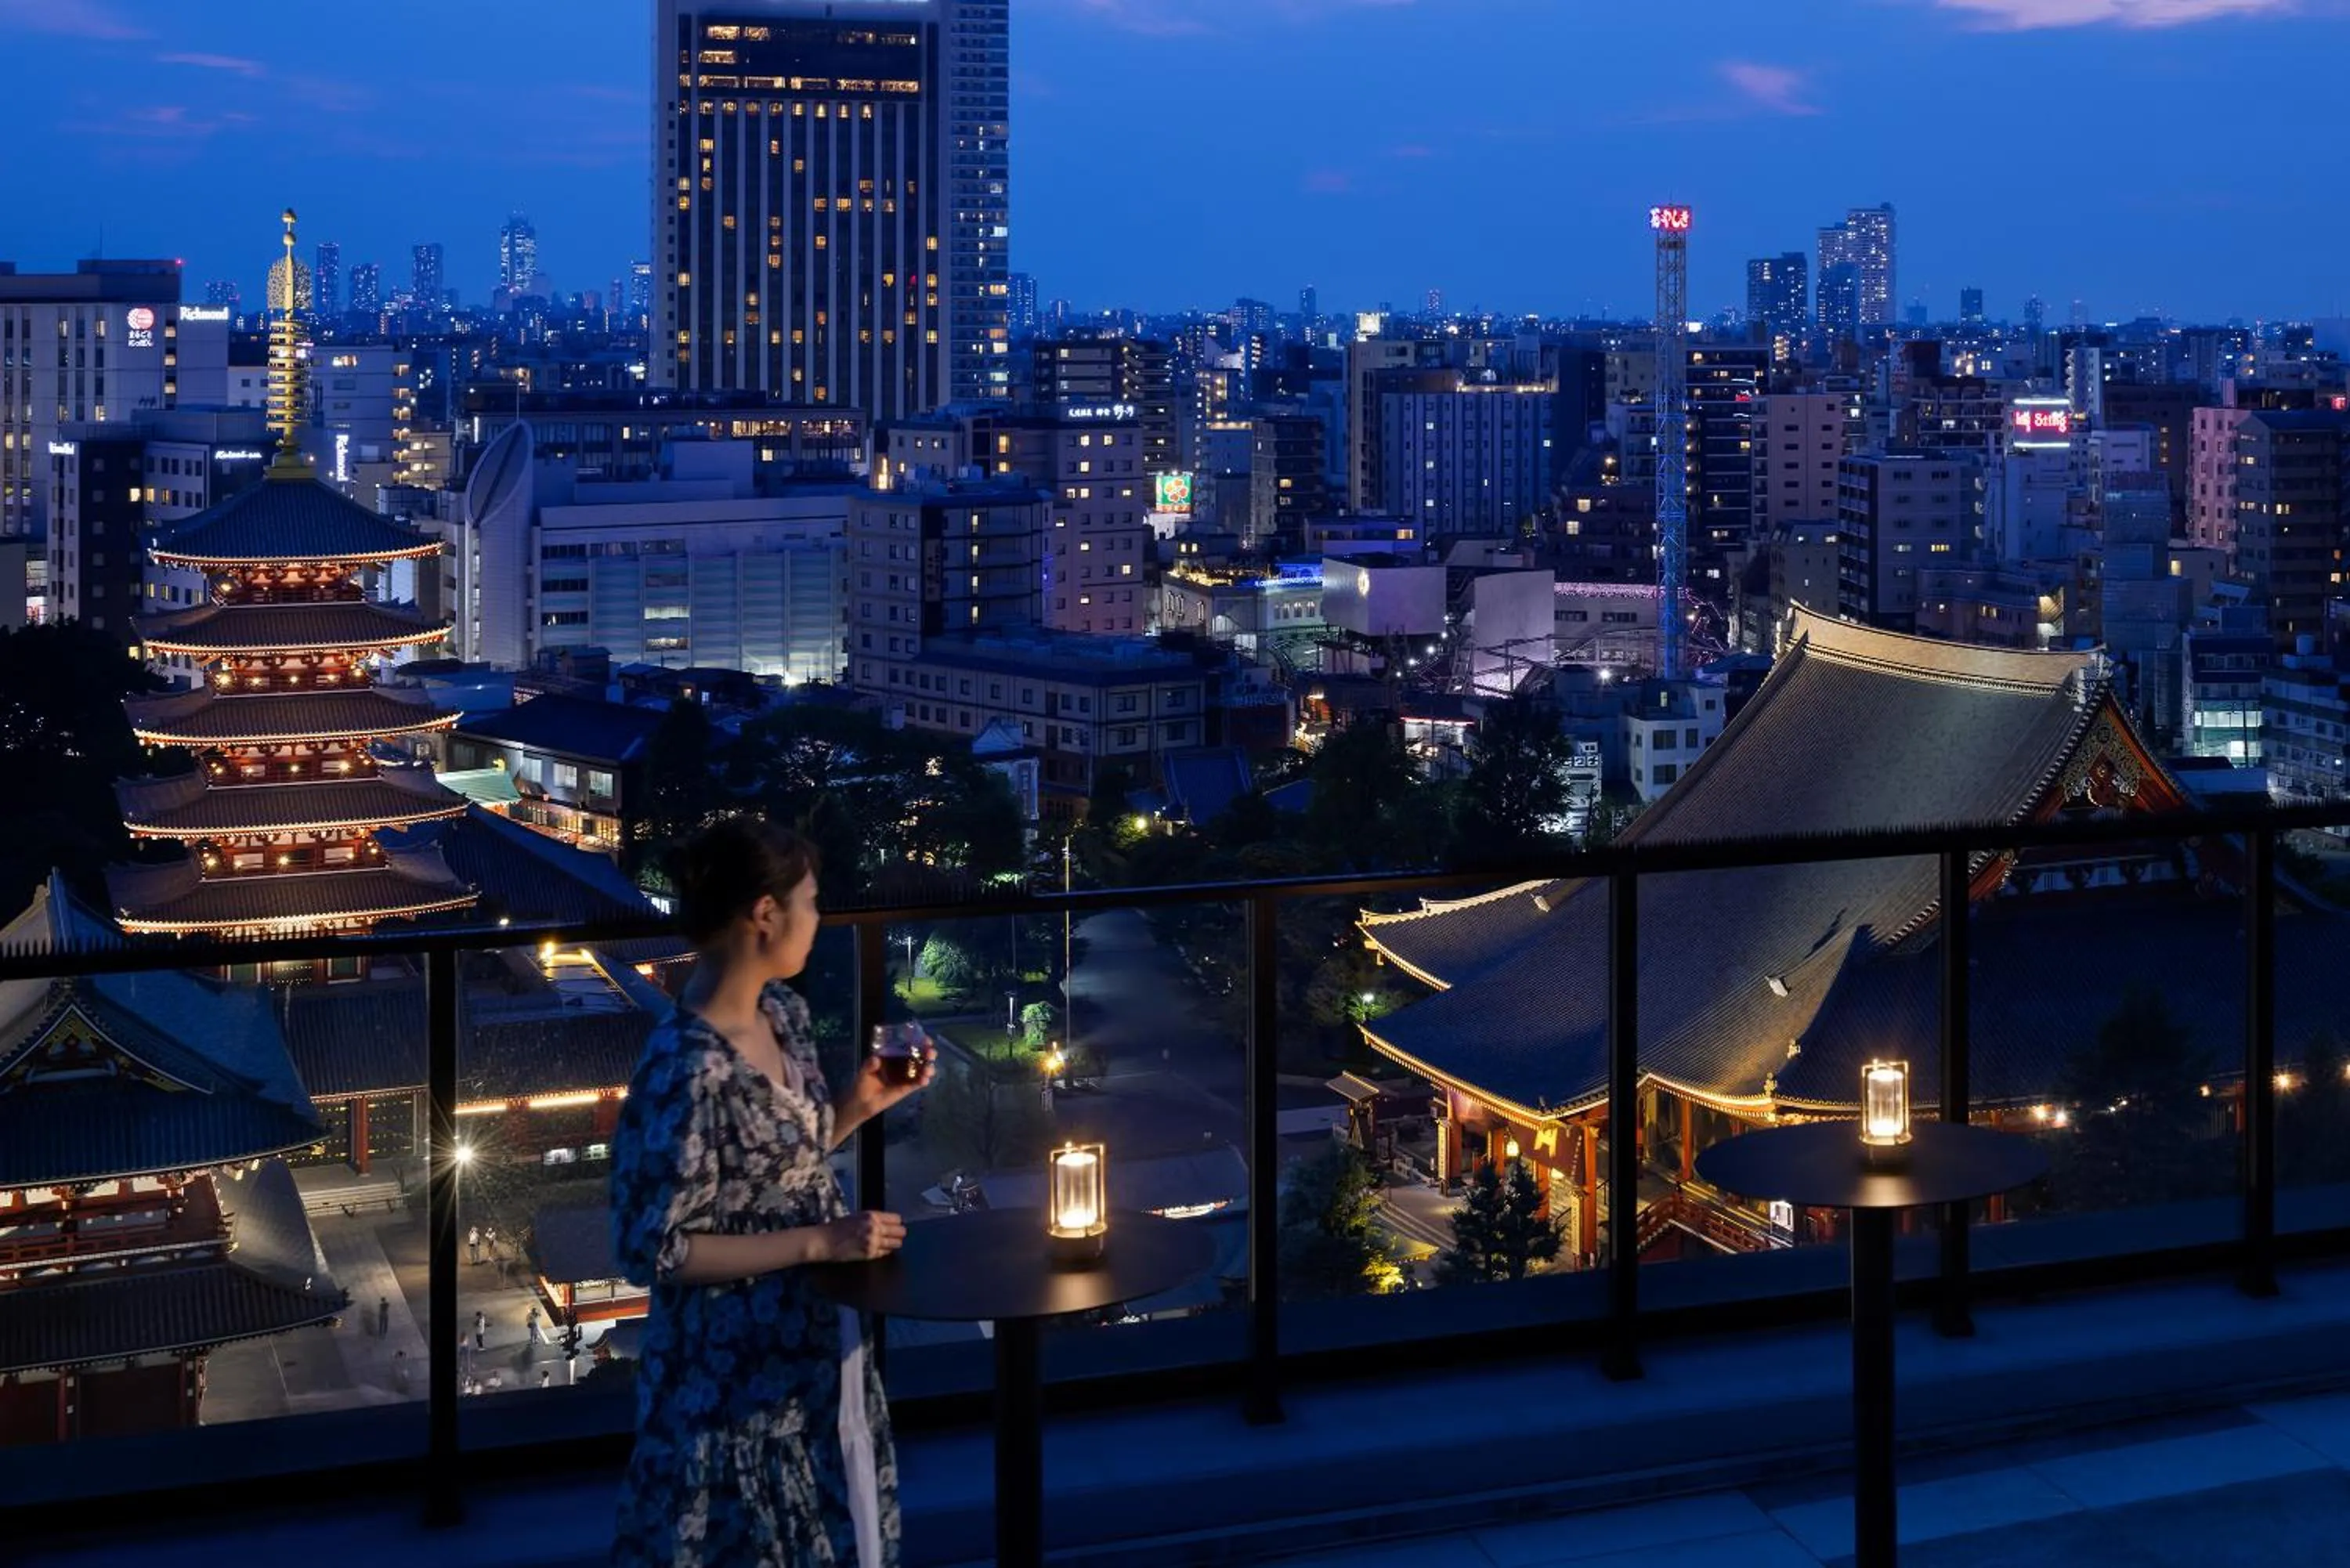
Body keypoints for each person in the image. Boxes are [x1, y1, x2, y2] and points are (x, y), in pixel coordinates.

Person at [609, 818, 933, 1568]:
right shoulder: (685, 1067)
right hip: (729, 1381)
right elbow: (652, 1245)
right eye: (811, 903)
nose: (820, 921)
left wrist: (855, 1108)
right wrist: (823, 1241)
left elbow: (764, 1179)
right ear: (764, 913)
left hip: (813, 1348)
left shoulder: (781, 1014)